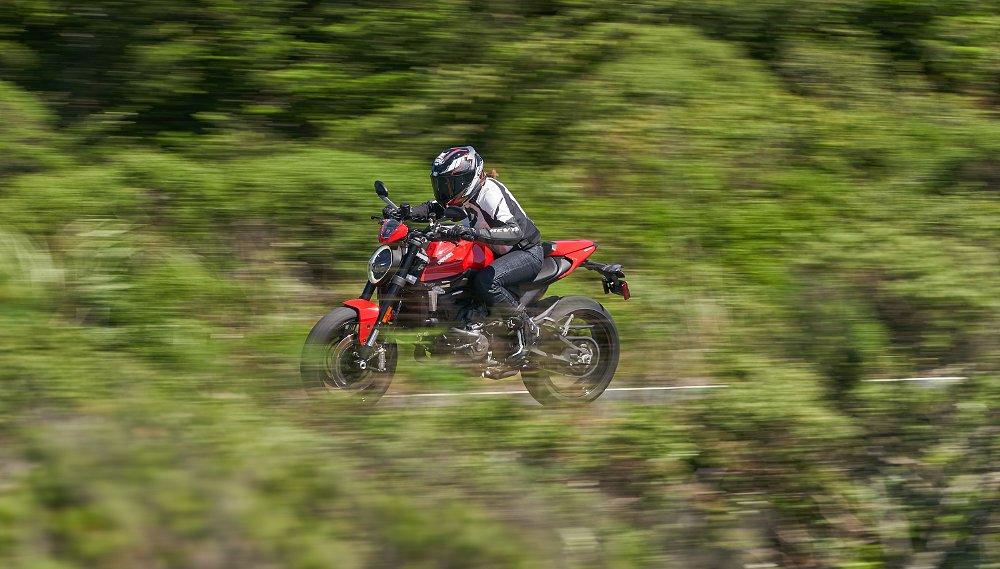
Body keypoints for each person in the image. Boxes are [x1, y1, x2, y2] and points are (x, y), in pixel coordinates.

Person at [388, 146, 543, 360]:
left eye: (450, 184)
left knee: (486, 281)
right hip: (493, 251)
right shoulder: (462, 197)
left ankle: (525, 326)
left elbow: (514, 231)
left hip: (524, 251)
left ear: (468, 179)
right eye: (442, 184)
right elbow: (436, 207)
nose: (446, 190)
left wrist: (472, 232)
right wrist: (406, 213)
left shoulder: (489, 192)